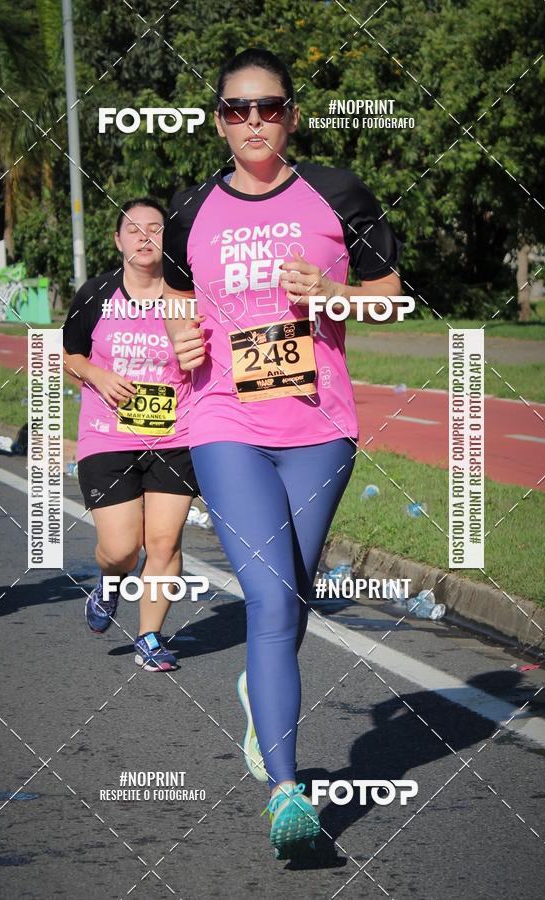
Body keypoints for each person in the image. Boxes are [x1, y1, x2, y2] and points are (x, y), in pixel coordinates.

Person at [162, 48, 404, 857]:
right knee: (267, 604)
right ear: (220, 120)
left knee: (290, 599)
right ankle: (288, 797)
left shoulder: (337, 192)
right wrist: (178, 331)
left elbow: (391, 297)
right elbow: (171, 301)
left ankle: (258, 691)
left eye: (268, 107)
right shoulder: (191, 207)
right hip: (224, 419)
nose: (253, 122)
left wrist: (331, 296)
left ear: (291, 115)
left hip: (320, 429)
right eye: (237, 109)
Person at [63, 198, 199, 671]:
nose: (145, 237)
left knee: (163, 543)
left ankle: (150, 637)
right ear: (118, 240)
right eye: (134, 229)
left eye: (156, 229)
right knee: (122, 550)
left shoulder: (189, 296)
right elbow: (70, 354)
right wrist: (97, 377)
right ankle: (109, 581)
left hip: (174, 434)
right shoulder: (96, 294)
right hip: (107, 436)